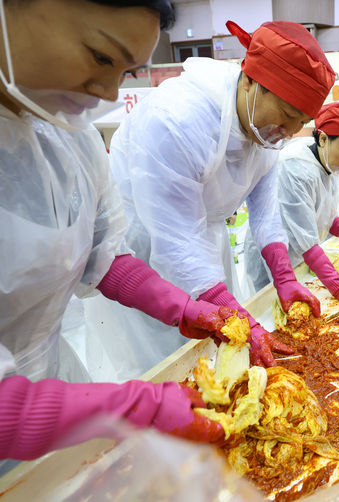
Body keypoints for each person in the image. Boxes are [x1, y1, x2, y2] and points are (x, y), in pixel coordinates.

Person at [0, 0, 229, 462]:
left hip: (50, 391)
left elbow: (101, 257)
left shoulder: (71, 137)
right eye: (102, 57)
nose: (107, 94)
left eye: (125, 72)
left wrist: (184, 309)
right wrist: (134, 406)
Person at [83, 19, 335, 381]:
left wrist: (284, 276)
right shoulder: (177, 120)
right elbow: (174, 243)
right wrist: (232, 312)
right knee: (160, 372)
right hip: (141, 254)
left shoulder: (264, 134)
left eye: (301, 122)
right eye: (288, 116)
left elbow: (266, 213)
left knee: (219, 364)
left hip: (205, 247)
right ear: (251, 82)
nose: (290, 132)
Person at [244, 102, 339, 305]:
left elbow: (327, 217)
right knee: (276, 310)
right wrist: (337, 284)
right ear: (323, 138)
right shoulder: (296, 168)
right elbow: (305, 238)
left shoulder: (330, 164)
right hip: (277, 254)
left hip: (302, 252)